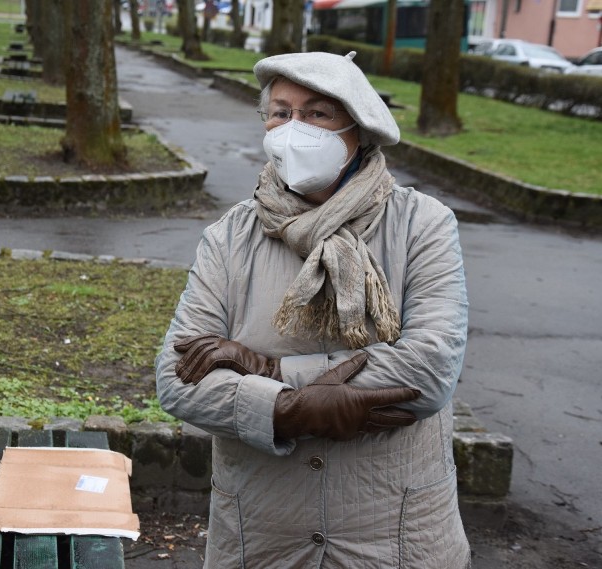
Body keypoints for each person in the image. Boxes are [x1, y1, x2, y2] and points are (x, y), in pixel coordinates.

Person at [155, 50, 471, 568]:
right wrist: (281, 411)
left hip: (394, 538)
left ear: (360, 129)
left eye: (317, 114)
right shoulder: (230, 236)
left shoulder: (423, 225)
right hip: (263, 536)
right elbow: (178, 377)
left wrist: (267, 370)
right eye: (280, 112)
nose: (292, 128)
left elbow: (429, 370)